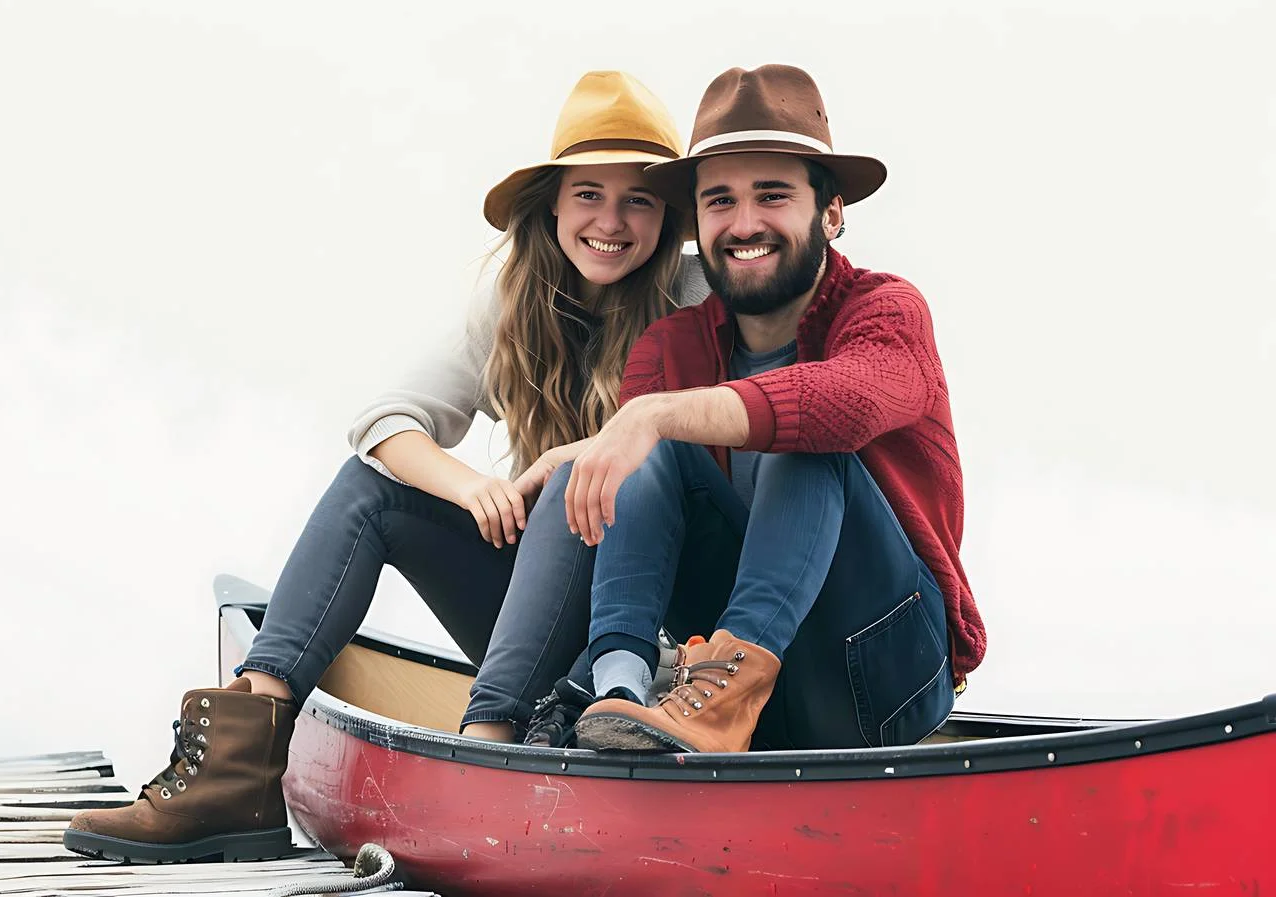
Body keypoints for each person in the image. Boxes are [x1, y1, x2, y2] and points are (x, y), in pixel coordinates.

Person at [63, 71, 712, 863]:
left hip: (651, 641)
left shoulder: (696, 300)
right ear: (551, 204)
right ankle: (239, 768)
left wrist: (570, 458)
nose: (610, 221)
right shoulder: (514, 305)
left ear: (669, 216)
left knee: (576, 484)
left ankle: (487, 741)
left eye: (637, 199)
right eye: (588, 194)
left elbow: (726, 438)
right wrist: (474, 485)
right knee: (372, 490)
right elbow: (383, 421)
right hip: (541, 612)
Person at [554, 65, 988, 755]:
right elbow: (636, 510)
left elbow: (839, 404)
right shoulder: (670, 347)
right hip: (732, 694)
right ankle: (619, 690)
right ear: (697, 221)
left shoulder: (887, 311)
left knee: (804, 433)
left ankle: (725, 698)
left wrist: (652, 416)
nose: (745, 222)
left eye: (773, 194)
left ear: (832, 212)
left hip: (882, 679)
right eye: (720, 199)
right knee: (646, 458)